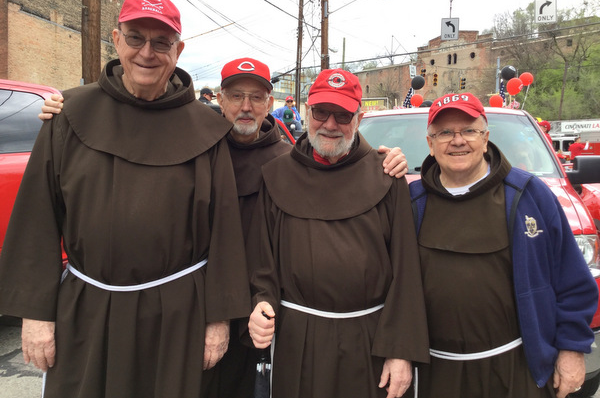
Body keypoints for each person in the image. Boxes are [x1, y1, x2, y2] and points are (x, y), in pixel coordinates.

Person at [40, 58, 410, 398]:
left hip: (271, 321)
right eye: (235, 96)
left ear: (270, 103)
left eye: (256, 97)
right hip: (196, 306)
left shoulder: (284, 162)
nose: (245, 106)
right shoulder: (195, 145)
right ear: (219, 98)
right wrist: (69, 106)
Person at [0, 0, 250, 397]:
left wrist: (218, 321)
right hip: (87, 309)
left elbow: (225, 231)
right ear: (116, 40)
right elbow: (37, 217)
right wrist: (36, 314)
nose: (147, 53)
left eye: (161, 42)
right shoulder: (69, 114)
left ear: (178, 50)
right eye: (135, 38)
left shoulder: (208, 129)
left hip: (178, 315)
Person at [247, 68, 429, 398]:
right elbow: (264, 262)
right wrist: (261, 303)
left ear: (358, 118)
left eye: (343, 115)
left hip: (369, 341)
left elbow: (406, 271)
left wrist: (401, 350)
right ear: (307, 112)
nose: (331, 124)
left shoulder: (386, 175)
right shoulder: (276, 175)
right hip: (295, 339)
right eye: (321, 112)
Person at [409, 93, 598, 398]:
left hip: (517, 370)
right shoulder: (411, 203)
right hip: (434, 374)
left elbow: (572, 279)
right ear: (430, 144)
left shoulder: (529, 194)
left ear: (485, 138)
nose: (457, 141)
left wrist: (572, 349)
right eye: (444, 132)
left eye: (469, 130)